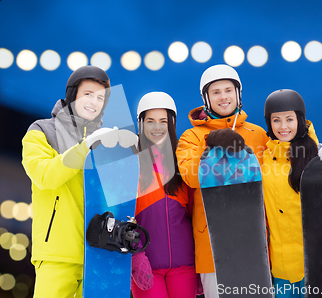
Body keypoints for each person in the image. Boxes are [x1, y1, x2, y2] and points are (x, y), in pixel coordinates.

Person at [22, 66, 126, 298]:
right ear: (72, 95)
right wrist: (85, 147)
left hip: (100, 253)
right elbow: (45, 176)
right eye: (88, 94)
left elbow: (118, 197)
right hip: (58, 253)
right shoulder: (41, 131)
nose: (94, 102)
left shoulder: (109, 141)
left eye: (101, 98)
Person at [175, 64, 270, 298]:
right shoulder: (192, 136)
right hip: (213, 242)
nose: (223, 97)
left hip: (253, 242)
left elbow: (275, 174)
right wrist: (214, 148)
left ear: (238, 94)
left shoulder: (258, 134)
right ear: (206, 99)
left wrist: (310, 145)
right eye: (216, 92)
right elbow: (191, 176)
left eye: (228, 90)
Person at [261, 89, 322, 297]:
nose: (283, 126)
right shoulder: (264, 159)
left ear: (299, 119)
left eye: (289, 119)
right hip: (281, 265)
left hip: (315, 261)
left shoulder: (316, 155)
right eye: (276, 120)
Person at [131, 92, 197, 298]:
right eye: (150, 121)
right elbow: (122, 217)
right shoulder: (130, 163)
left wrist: (201, 261)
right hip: (147, 266)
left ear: (172, 123)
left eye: (163, 121)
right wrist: (136, 255)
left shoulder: (183, 162)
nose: (157, 127)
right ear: (141, 124)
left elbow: (197, 213)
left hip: (185, 265)